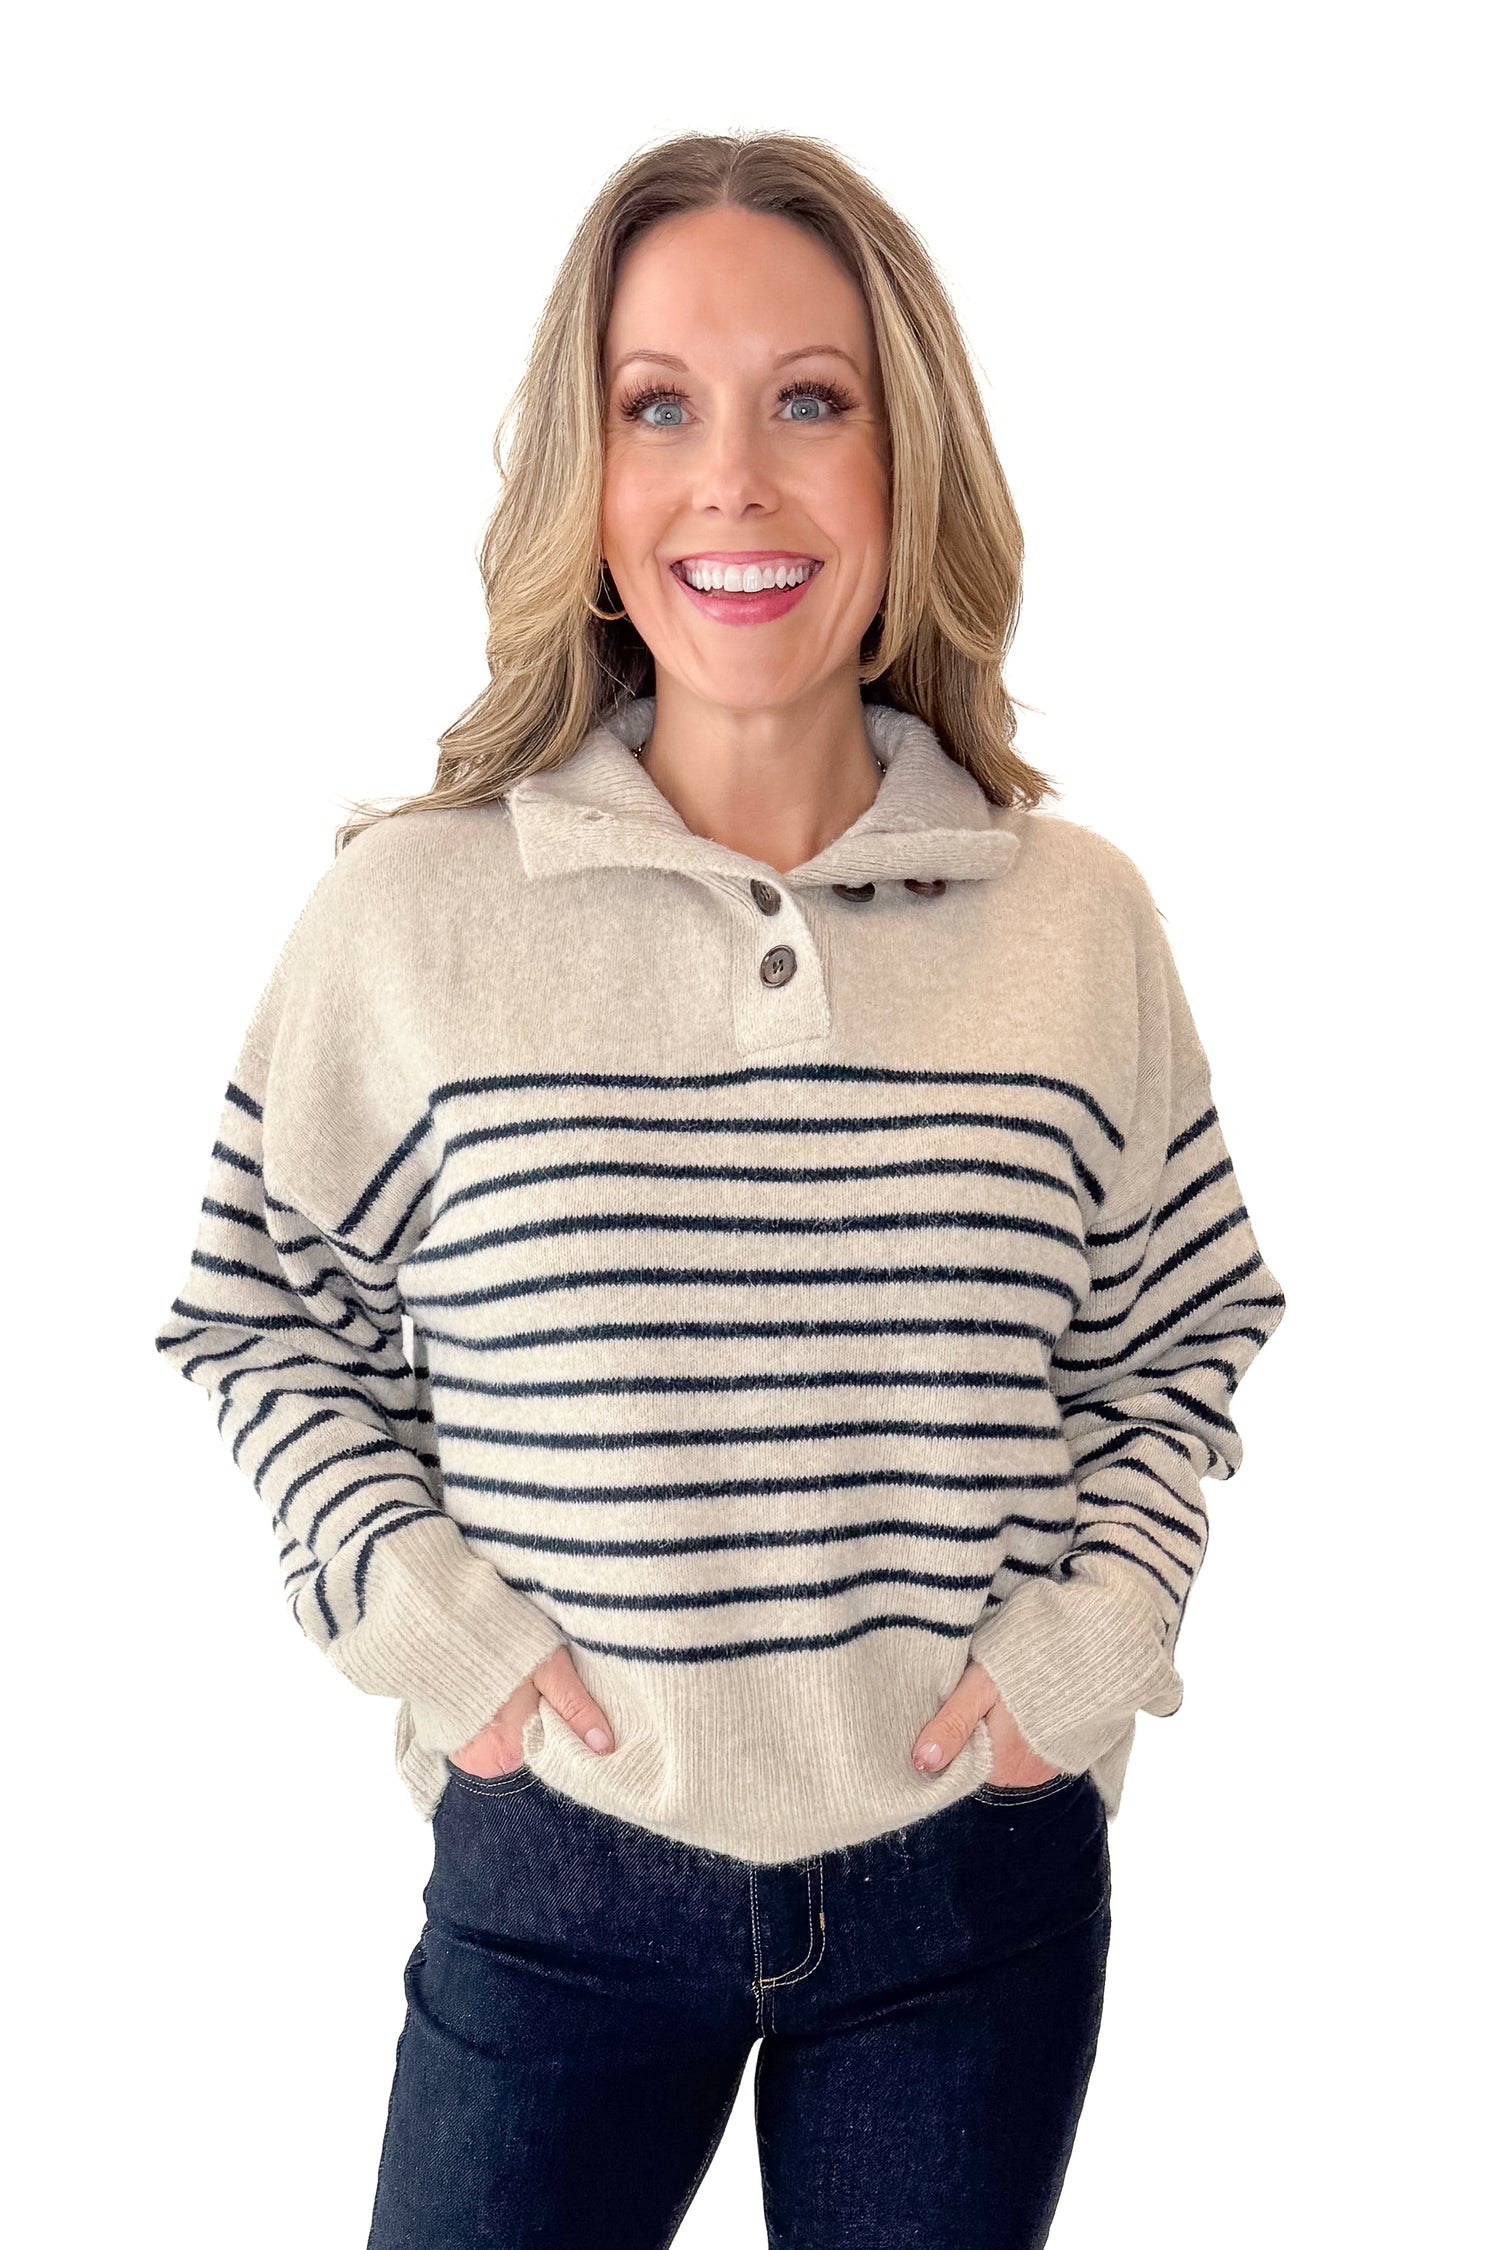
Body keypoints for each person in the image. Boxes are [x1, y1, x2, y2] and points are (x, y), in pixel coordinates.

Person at [154, 129, 1288, 2250]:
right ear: (587, 482)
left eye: (813, 402)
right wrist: (433, 1630)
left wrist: (1090, 1651)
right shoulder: (413, 917)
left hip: (971, 1889)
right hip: (565, 1878)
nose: (734, 480)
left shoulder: (1073, 919)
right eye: (658, 404)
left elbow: (1179, 1332)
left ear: (904, 459)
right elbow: (259, 1308)